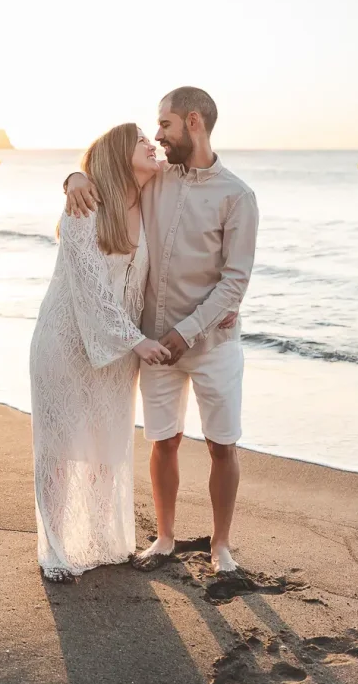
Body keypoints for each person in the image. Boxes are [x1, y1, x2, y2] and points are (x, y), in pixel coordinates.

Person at [66, 87, 259, 574]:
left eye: (165, 125)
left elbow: (234, 281)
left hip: (212, 344)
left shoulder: (238, 196)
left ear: (193, 122)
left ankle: (220, 546)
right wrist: (71, 178)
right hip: (155, 344)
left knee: (222, 445)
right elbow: (106, 173)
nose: (157, 136)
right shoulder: (156, 178)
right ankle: (167, 538)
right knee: (164, 440)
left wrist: (188, 331)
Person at [29, 123, 172, 583]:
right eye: (141, 140)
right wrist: (138, 340)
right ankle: (54, 549)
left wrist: (73, 173)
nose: (152, 143)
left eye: (154, 137)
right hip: (65, 341)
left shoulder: (152, 202)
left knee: (108, 444)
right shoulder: (85, 207)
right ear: (117, 154)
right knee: (59, 446)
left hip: (118, 348)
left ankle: (100, 541)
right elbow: (91, 289)